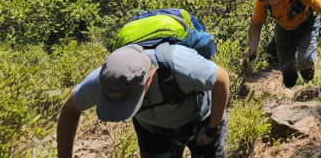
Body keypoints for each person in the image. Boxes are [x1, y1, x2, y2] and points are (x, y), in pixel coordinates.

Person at [55, 42, 229, 158]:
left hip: (199, 121)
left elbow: (222, 79)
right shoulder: (106, 79)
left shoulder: (182, 66)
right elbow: (70, 109)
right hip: (151, 129)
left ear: (150, 77)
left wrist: (213, 127)